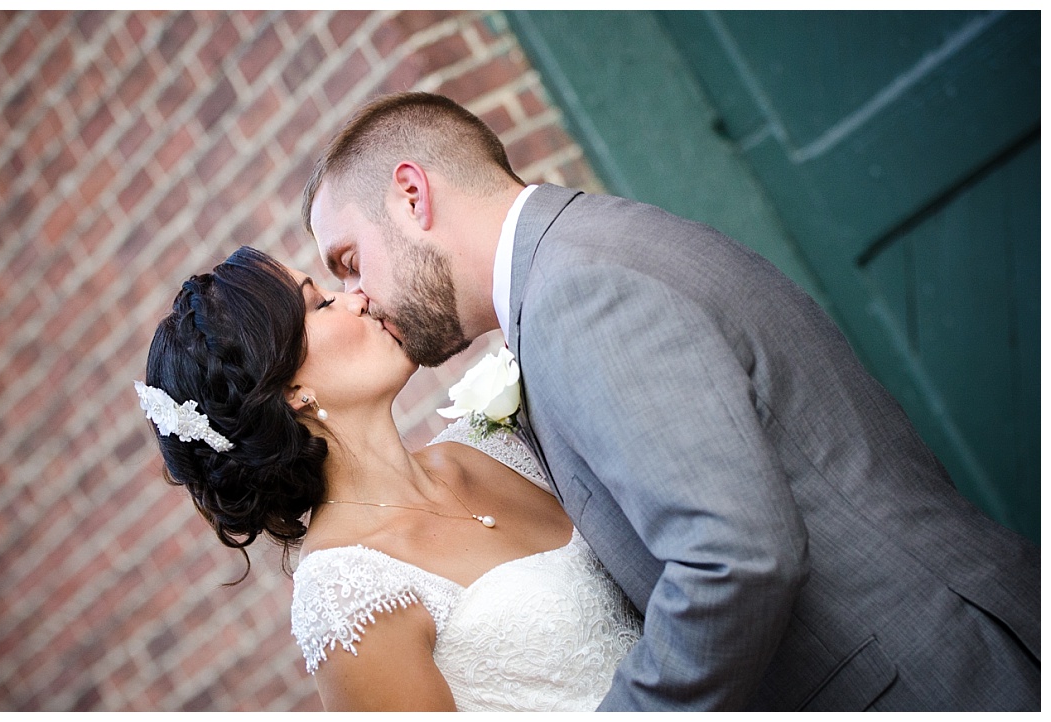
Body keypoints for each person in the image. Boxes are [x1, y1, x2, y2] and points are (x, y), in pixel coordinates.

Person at [299, 91, 1040, 711]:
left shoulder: (576, 295)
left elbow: (732, 559)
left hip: (943, 679)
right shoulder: (584, 250)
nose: (358, 297)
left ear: (412, 195)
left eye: (350, 261)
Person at [135, 245, 643, 711]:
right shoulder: (348, 597)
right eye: (321, 303)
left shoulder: (492, 442)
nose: (356, 298)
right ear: (290, 389)